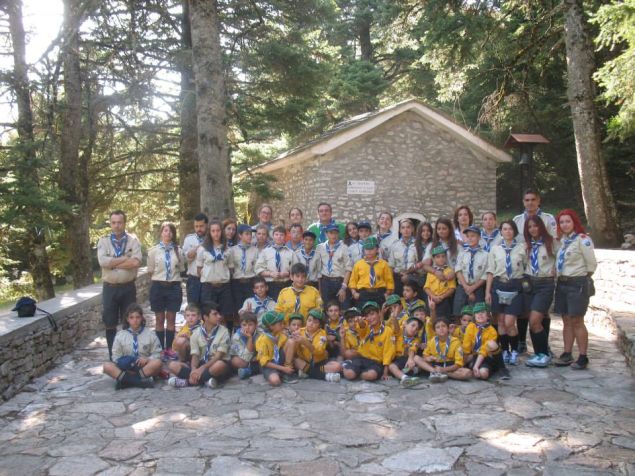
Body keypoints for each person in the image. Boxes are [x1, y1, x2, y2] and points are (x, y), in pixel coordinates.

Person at [513, 189, 557, 354]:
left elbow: (555, 244)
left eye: (533, 199)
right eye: (527, 200)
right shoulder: (517, 220)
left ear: (538, 201)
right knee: (524, 311)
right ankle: (522, 342)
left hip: (544, 273)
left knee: (542, 313)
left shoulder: (548, 219)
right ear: (523, 202)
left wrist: (555, 268)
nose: (530, 203)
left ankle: (544, 346)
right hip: (526, 272)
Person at [553, 209, 597, 370]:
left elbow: (591, 264)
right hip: (562, 283)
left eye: (568, 221)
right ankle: (567, 353)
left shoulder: (582, 239)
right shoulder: (563, 241)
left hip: (577, 283)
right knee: (566, 320)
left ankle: (583, 356)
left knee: (577, 320)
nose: (565, 225)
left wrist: (581, 277)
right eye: (562, 222)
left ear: (574, 222)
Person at [97, 210, 143, 361]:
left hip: (128, 288)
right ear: (110, 224)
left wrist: (112, 263)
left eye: (119, 222)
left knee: (130, 323)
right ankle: (114, 357)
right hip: (110, 289)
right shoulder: (103, 241)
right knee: (110, 324)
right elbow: (102, 262)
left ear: (124, 223)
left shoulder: (133, 240)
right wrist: (124, 258)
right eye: (113, 222)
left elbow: (135, 262)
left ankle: (129, 355)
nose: (116, 225)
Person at [485, 220, 527, 366]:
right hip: (498, 285)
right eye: (504, 229)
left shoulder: (522, 248)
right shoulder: (495, 249)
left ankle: (514, 350)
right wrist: (487, 292)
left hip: (514, 286)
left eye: (510, 229)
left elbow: (526, 267)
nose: (507, 231)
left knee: (510, 322)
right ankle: (505, 351)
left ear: (514, 231)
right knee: (501, 322)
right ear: (501, 232)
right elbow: (490, 271)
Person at [167, 302, 231, 388]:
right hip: (202, 363)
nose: (219, 316)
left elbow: (218, 357)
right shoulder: (196, 332)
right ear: (206, 317)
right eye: (215, 314)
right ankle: (205, 380)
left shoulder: (224, 331)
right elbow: (195, 355)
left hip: (215, 363)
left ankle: (188, 382)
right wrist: (194, 369)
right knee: (172, 365)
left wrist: (201, 369)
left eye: (219, 314)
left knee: (219, 365)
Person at [523, 216, 558, 368]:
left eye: (535, 226)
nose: (532, 229)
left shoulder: (551, 242)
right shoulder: (527, 245)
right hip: (529, 283)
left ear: (541, 226)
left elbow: (561, 257)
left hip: (545, 284)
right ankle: (539, 354)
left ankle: (544, 354)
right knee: (534, 319)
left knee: (534, 320)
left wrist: (556, 269)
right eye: (529, 227)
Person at [102, 303, 162, 389]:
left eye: (138, 317)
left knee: (157, 363)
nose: (135, 320)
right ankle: (139, 382)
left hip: (144, 367)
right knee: (106, 366)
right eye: (131, 317)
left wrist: (147, 359)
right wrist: (125, 363)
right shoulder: (120, 336)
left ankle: (125, 381)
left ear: (141, 318)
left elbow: (158, 354)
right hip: (126, 368)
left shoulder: (150, 334)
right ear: (127, 319)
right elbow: (115, 357)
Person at [147, 222, 184, 357]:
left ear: (173, 234)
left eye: (170, 231)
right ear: (161, 233)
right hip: (158, 286)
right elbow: (150, 270)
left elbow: (181, 268)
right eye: (165, 230)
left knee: (171, 318)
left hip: (173, 286)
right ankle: (160, 349)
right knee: (159, 318)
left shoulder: (179, 251)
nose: (168, 233)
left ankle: (169, 348)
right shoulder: (153, 251)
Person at [342, 301, 396, 382]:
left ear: (379, 313)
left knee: (370, 375)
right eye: (367, 316)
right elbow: (362, 327)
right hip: (362, 358)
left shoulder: (387, 331)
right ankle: (348, 368)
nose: (370, 318)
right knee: (349, 374)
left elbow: (388, 352)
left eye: (372, 314)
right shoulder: (367, 326)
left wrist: (385, 372)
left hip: (376, 362)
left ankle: (357, 372)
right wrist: (360, 321)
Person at [197, 219, 233, 325]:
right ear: (209, 232)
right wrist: (209, 276)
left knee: (224, 316)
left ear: (222, 232)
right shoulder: (203, 249)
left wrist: (222, 275)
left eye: (218, 230)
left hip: (224, 287)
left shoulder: (227, 249)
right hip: (208, 287)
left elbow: (231, 268)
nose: (216, 233)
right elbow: (199, 268)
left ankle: (224, 335)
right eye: (213, 231)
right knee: (209, 316)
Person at [291, 308, 342, 382]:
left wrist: (306, 342)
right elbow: (293, 350)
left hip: (319, 362)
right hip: (304, 361)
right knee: (296, 361)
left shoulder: (322, 334)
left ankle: (307, 372)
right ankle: (325, 376)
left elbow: (318, 352)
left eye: (315, 322)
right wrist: (295, 340)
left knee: (337, 366)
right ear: (306, 321)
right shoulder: (300, 331)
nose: (311, 324)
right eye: (309, 320)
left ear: (319, 325)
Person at [413, 317, 471, 382]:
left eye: (443, 326)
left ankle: (442, 373)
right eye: (438, 327)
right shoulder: (432, 341)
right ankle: (434, 371)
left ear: (448, 328)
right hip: (436, 365)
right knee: (416, 358)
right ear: (435, 331)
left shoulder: (456, 342)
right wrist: (428, 358)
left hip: (450, 365)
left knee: (467, 373)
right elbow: (425, 356)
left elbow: (458, 364)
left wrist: (443, 370)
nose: (441, 329)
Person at [462, 302, 509, 380]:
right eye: (477, 312)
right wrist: (462, 363)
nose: (480, 314)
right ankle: (473, 366)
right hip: (475, 355)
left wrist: (476, 366)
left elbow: (484, 350)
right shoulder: (470, 327)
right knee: (461, 355)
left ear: (488, 316)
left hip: (487, 357)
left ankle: (501, 368)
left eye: (483, 312)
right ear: (474, 316)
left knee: (483, 374)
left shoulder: (492, 330)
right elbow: (466, 347)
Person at [349, 236, 394, 308]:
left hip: (379, 293)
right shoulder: (358, 264)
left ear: (377, 249)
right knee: (364, 312)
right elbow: (353, 281)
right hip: (363, 293)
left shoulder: (384, 264)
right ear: (363, 250)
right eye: (367, 249)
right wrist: (354, 293)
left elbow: (389, 281)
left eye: (372, 249)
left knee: (380, 312)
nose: (369, 251)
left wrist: (387, 293)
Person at [256, 311, 298, 386]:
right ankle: (281, 371)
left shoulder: (280, 334)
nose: (283, 325)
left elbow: (288, 347)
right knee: (275, 381)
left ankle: (286, 372)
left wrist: (293, 336)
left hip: (279, 360)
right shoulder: (263, 340)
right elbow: (264, 363)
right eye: (280, 324)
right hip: (269, 365)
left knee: (291, 341)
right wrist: (283, 368)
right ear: (271, 326)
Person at [453, 225, 488, 317]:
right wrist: (466, 287)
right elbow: (458, 270)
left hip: (477, 288)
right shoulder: (462, 253)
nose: (470, 238)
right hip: (462, 287)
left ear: (479, 237)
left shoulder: (485, 255)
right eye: (468, 236)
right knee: (458, 314)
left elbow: (485, 275)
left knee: (477, 314)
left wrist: (472, 288)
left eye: (473, 236)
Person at [228, 224, 259, 320]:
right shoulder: (232, 250)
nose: (250, 236)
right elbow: (230, 267)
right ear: (240, 235)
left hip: (250, 282)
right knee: (238, 308)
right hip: (236, 283)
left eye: (251, 234)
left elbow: (256, 267)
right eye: (247, 234)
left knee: (250, 307)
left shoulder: (255, 250)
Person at [317, 223, 352, 306]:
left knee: (343, 307)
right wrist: (320, 289)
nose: (334, 235)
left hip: (339, 282)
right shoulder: (320, 248)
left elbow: (348, 268)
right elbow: (318, 269)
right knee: (326, 307)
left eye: (336, 233)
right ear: (326, 234)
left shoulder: (344, 247)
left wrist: (343, 287)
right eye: (331, 233)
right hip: (325, 282)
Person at [255, 225, 294, 300]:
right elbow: (258, 269)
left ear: (285, 237)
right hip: (271, 285)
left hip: (286, 284)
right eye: (276, 234)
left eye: (281, 235)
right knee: (272, 305)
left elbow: (295, 270)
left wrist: (287, 273)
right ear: (273, 236)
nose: (279, 237)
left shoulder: (291, 253)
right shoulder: (265, 252)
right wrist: (270, 274)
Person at [388, 315, 423, 388]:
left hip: (408, 359)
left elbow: (412, 349)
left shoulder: (416, 339)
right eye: (412, 325)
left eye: (417, 329)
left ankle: (413, 371)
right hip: (397, 359)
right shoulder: (399, 332)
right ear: (405, 324)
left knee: (420, 360)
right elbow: (396, 327)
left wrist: (410, 359)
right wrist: (394, 317)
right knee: (391, 366)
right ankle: (405, 378)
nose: (414, 329)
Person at [182, 213, 208, 306]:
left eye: (201, 226)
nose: (199, 229)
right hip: (194, 280)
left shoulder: (213, 238)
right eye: (196, 226)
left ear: (206, 225)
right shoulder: (189, 239)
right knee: (193, 309)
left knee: (207, 309)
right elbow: (184, 258)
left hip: (208, 281)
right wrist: (199, 247)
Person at [424, 246, 456, 319]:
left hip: (444, 300)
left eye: (443, 256)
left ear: (446, 258)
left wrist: (442, 297)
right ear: (433, 259)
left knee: (443, 319)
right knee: (429, 318)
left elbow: (452, 288)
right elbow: (426, 287)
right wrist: (433, 296)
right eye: (438, 257)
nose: (441, 259)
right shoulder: (431, 272)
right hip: (431, 299)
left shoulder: (449, 272)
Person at [388, 219, 418, 296]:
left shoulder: (417, 244)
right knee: (398, 299)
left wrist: (408, 274)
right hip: (397, 277)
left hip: (412, 277)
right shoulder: (395, 245)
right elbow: (391, 265)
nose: (406, 230)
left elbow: (419, 263)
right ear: (400, 230)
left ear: (412, 229)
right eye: (403, 228)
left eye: (408, 227)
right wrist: (390, 284)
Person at [230, 311, 260, 380]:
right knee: (237, 361)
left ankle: (249, 371)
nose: (247, 327)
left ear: (256, 325)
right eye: (244, 325)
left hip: (256, 358)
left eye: (250, 325)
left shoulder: (260, 334)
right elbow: (246, 358)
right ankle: (252, 369)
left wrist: (258, 357)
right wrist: (250, 339)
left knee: (265, 360)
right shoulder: (236, 337)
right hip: (242, 359)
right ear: (240, 325)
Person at [413, 222, 434, 287]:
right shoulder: (414, 244)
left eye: (428, 230)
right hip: (416, 272)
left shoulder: (433, 244)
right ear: (419, 232)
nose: (426, 233)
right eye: (423, 231)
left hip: (429, 273)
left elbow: (429, 261)